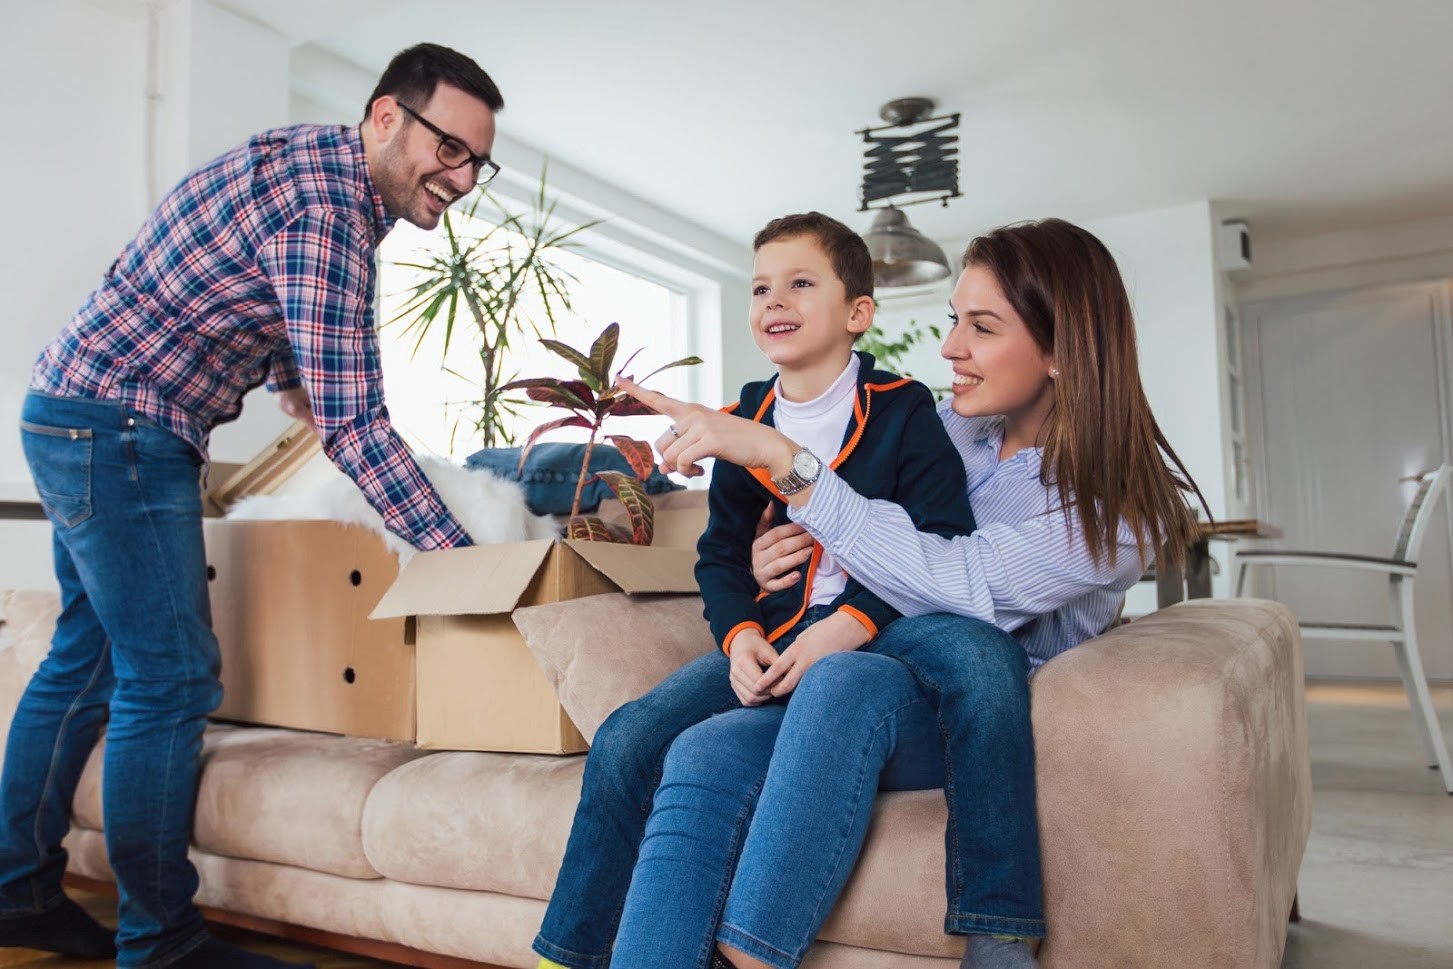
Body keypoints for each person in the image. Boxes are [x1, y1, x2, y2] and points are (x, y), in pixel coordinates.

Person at [0, 43, 503, 969]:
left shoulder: (315, 161)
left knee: (86, 658)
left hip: (74, 410)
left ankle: (19, 895)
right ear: (387, 117)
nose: (462, 176)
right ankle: (162, 942)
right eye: (449, 147)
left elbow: (246, 287)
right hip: (122, 427)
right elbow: (355, 423)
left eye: (478, 159)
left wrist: (290, 378)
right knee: (173, 677)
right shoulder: (330, 214)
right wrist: (459, 554)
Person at [609, 217, 1205, 969]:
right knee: (700, 750)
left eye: (980, 327)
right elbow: (835, 522)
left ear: (1060, 352)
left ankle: (752, 954)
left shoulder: (1113, 511)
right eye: (955, 319)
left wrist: (783, 462)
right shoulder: (942, 427)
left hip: (950, 703)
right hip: (846, 660)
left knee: (847, 680)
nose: (949, 347)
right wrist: (770, 555)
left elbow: (962, 583)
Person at [532, 212, 977, 969]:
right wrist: (738, 637)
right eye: (761, 286)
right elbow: (720, 558)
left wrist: (856, 620)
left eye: (801, 283)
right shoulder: (741, 418)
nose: (775, 299)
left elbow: (942, 548)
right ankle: (565, 956)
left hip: (861, 656)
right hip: (767, 648)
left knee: (712, 751)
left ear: (856, 313)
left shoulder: (904, 411)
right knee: (628, 736)